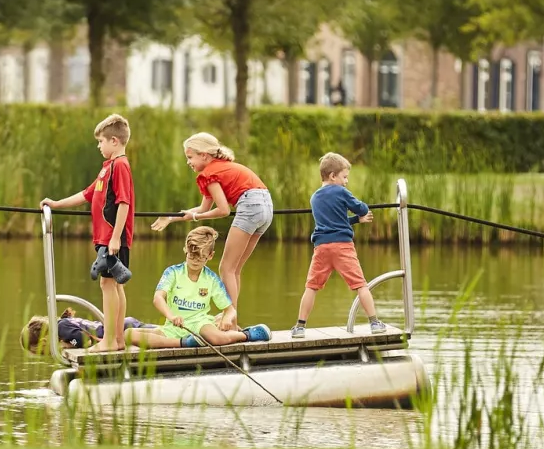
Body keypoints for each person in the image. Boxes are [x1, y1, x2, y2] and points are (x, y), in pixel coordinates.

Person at [41, 113, 134, 353]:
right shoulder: (107, 169)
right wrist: (56, 203)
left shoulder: (120, 166)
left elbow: (124, 203)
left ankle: (110, 341)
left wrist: (115, 237)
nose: (99, 146)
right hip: (106, 239)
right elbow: (86, 194)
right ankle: (118, 340)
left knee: (108, 284)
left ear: (114, 141)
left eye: (101, 141)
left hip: (113, 239)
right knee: (114, 286)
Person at [150, 132, 272, 307]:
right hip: (266, 208)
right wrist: (171, 218)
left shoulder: (208, 174)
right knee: (234, 269)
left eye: (190, 157)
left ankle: (229, 320)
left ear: (204, 155)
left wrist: (196, 217)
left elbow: (223, 210)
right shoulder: (220, 168)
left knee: (226, 269)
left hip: (250, 207)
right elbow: (203, 209)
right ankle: (232, 319)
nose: (188, 162)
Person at [125, 226, 270, 350]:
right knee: (128, 334)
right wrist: (172, 316)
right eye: (191, 256)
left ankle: (247, 334)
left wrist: (227, 318)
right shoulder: (172, 272)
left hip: (200, 324)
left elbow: (230, 309)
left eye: (200, 258)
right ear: (185, 250)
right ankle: (184, 342)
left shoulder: (211, 278)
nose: (195, 261)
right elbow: (158, 298)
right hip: (173, 327)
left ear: (210, 255)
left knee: (214, 337)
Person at [292, 153, 384, 337]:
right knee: (360, 285)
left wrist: (356, 221)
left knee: (311, 287)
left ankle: (300, 327)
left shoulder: (314, 198)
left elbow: (334, 221)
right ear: (333, 176)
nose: (346, 181)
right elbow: (362, 208)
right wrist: (362, 212)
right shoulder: (341, 192)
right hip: (343, 246)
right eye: (344, 177)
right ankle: (374, 323)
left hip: (322, 248)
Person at [20, 308, 150, 356]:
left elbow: (87, 341)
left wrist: (67, 345)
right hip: (124, 325)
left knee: (166, 332)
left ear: (43, 341)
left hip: (125, 329)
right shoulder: (62, 325)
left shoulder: (62, 329)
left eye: (41, 352)